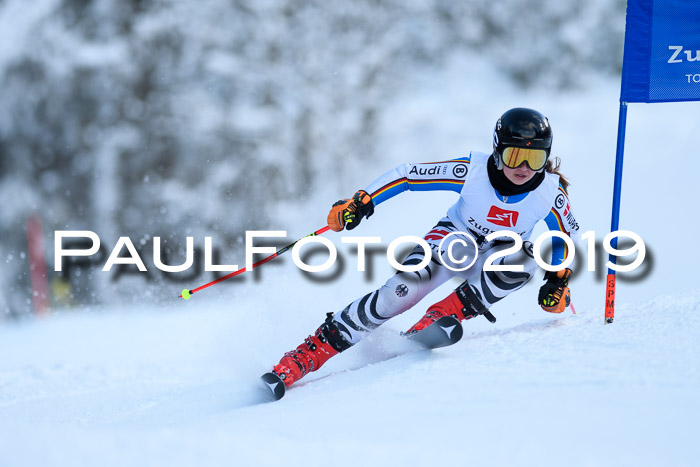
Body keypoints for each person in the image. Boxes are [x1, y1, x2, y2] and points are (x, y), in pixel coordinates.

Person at [268, 107, 580, 388]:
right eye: (515, 156)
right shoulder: (472, 170)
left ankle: (440, 316)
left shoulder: (550, 194)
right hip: (454, 240)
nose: (524, 167)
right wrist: (362, 201)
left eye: (535, 158)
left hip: (498, 254)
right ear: (498, 152)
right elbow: (407, 175)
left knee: (525, 259)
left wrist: (558, 278)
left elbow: (567, 239)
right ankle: (310, 352)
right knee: (396, 296)